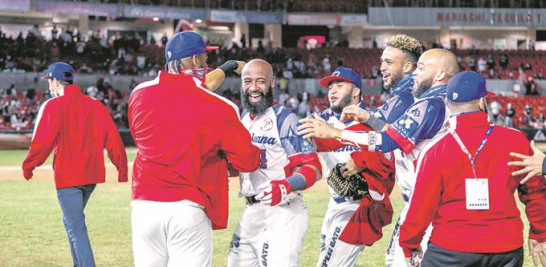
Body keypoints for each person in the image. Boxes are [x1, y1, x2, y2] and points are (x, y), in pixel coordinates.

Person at [298, 48, 460, 266]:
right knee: (392, 259)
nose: (416, 74)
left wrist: (337, 133)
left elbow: (388, 141)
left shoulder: (430, 104)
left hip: (428, 207)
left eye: (421, 68)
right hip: (421, 204)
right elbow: (394, 134)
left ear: (440, 74)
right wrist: (367, 118)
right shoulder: (444, 102)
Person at [128, 31, 260, 267]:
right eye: (205, 59)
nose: (207, 64)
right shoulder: (219, 106)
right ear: (197, 61)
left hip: (143, 205)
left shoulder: (138, 94)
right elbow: (248, 161)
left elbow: (142, 139)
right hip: (188, 205)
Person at [399, 71, 546, 267]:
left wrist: (410, 244)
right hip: (505, 248)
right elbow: (535, 193)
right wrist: (540, 232)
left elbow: (421, 206)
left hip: (450, 249)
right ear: (481, 102)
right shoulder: (515, 140)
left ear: (449, 105)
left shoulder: (435, 149)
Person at [22, 62, 128, 267]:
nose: (49, 86)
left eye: (49, 82)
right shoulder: (95, 104)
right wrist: (121, 169)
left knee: (76, 228)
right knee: (71, 222)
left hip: (68, 179)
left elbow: (42, 142)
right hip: (91, 177)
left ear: (55, 81)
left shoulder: (53, 106)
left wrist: (28, 166)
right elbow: (113, 138)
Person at [227, 59, 322, 267]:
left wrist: (286, 185)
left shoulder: (286, 120)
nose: (253, 88)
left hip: (282, 212)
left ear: (272, 83)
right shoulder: (244, 118)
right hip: (252, 211)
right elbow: (246, 163)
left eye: (260, 81)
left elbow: (313, 168)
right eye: (247, 81)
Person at [313, 67, 396, 267]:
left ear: (356, 91)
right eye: (330, 87)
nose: (332, 91)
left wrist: (363, 160)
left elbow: (390, 156)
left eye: (340, 86)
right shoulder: (322, 121)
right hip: (335, 204)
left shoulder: (373, 120)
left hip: (359, 205)